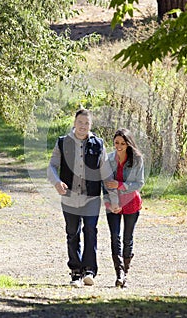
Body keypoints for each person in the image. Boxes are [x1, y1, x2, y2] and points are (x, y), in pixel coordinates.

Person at [47, 109, 118, 288]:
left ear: (90, 125)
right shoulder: (63, 142)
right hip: (69, 197)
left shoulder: (98, 144)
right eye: (80, 122)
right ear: (74, 122)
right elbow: (52, 166)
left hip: (91, 198)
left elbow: (106, 173)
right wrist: (57, 182)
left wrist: (113, 198)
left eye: (87, 123)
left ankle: (89, 271)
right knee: (72, 233)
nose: (83, 126)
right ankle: (75, 272)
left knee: (91, 231)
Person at [104, 128, 144, 288]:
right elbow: (105, 183)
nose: (119, 146)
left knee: (128, 238)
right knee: (115, 237)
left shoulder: (137, 160)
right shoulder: (108, 159)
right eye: (116, 143)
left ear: (128, 143)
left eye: (122, 143)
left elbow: (139, 183)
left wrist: (121, 185)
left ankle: (125, 273)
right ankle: (119, 274)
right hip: (112, 203)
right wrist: (113, 203)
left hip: (131, 203)